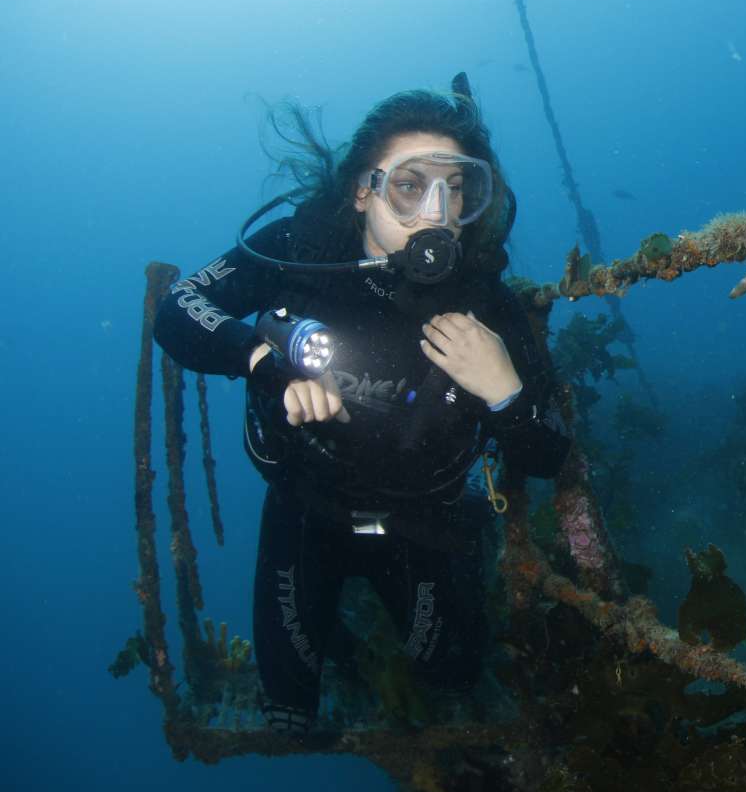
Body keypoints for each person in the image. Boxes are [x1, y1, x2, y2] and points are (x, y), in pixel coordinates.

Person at [155, 74, 571, 737]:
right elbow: (179, 309)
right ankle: (346, 650)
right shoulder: (300, 251)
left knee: (454, 676)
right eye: (410, 185)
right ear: (362, 190)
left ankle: (373, 643)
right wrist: (264, 367)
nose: (436, 211)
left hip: (425, 517)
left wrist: (505, 390)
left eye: (456, 187)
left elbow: (549, 451)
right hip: (304, 504)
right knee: (288, 711)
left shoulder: (485, 302)